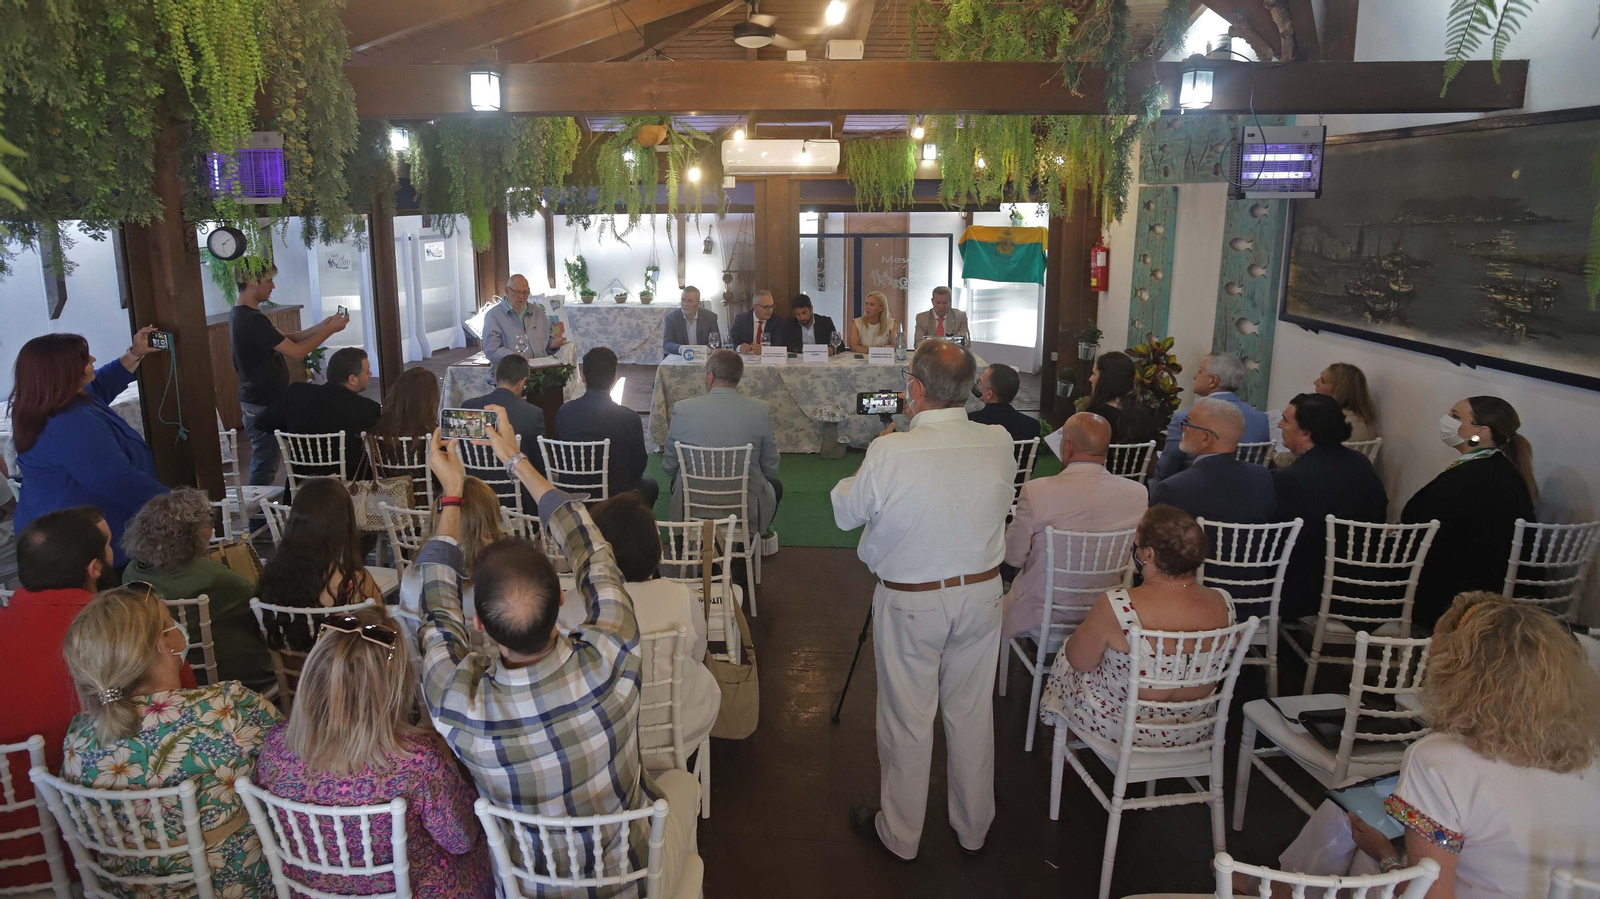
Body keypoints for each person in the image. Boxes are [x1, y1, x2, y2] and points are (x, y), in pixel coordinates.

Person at [403, 416, 701, 898]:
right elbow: (592, 551)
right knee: (684, 787)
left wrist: (452, 495)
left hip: (528, 890)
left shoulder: (458, 706)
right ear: (562, 600)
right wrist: (515, 460)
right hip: (628, 882)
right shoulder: (612, 652)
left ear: (478, 623)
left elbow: (437, 613)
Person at [1260, 593, 1600, 899]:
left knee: (1362, 848)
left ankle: (1282, 890)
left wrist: (1386, 856)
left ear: (1459, 675)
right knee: (1350, 801)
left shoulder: (1439, 760)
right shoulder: (1589, 749)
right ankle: (1283, 889)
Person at [831, 340, 1015, 861]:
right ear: (971, 389)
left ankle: (902, 834)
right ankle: (974, 826)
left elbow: (846, 513)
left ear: (914, 388)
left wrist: (873, 458)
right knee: (972, 713)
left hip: (913, 600)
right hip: (983, 593)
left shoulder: (891, 451)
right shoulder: (999, 440)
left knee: (908, 718)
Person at [254, 605, 495, 898]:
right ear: (392, 686)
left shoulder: (275, 748)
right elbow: (461, 839)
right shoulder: (417, 761)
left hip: (311, 892)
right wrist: (450, 762)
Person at [60, 585, 281, 897]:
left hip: (127, 891)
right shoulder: (228, 708)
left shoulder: (77, 740)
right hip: (235, 885)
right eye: (169, 623)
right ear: (163, 643)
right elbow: (293, 764)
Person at [1038, 504, 1235, 746]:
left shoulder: (1118, 605)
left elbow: (1079, 662)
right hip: (1193, 729)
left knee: (1068, 652)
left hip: (1124, 729)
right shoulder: (1223, 602)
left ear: (1149, 555)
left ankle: (1064, 742)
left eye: (1137, 545)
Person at [9, 330, 168, 567]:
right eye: (84, 358)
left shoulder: (44, 401)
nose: (93, 359)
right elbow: (115, 480)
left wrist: (135, 353)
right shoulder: (68, 421)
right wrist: (172, 504)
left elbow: (99, 385)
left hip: (57, 529)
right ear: (64, 372)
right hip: (77, 542)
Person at [582, 493, 720, 764]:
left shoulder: (576, 605)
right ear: (655, 551)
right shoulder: (679, 596)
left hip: (600, 742)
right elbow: (699, 653)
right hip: (681, 729)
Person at [1002, 413, 1148, 640]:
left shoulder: (1037, 491)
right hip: (1107, 611)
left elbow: (1013, 557)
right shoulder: (1137, 494)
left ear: (1067, 446)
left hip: (1042, 611)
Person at [1401, 396, 1537, 630]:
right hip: (1486, 580)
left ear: (1482, 432)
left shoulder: (1473, 476)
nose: (1446, 420)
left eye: (1455, 416)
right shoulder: (1501, 467)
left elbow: (1416, 518)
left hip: (1461, 595)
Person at [120, 488, 276, 692]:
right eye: (208, 523)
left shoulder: (132, 572)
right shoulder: (214, 577)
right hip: (232, 675)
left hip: (165, 673)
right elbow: (261, 611)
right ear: (195, 534)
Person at [231, 263, 349, 487]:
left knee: (271, 459)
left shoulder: (247, 315)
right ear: (253, 282)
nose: (273, 286)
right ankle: (255, 509)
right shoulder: (250, 319)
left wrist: (322, 326)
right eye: (269, 281)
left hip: (265, 400)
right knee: (265, 463)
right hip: (260, 403)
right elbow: (296, 352)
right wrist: (329, 331)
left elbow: (287, 339)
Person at [1272, 394, 1388, 620]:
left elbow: (1278, 538)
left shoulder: (1292, 478)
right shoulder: (1360, 463)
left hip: (1309, 592)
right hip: (1363, 584)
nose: (1279, 425)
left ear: (1306, 432)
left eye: (1285, 420)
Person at [662, 350, 782, 537]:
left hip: (694, 503)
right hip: (743, 507)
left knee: (677, 481)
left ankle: (694, 538)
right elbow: (770, 469)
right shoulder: (760, 410)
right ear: (738, 378)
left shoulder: (682, 409)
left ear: (710, 377)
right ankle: (747, 542)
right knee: (775, 486)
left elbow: (669, 467)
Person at [257, 478, 382, 652]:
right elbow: (381, 633)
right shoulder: (355, 582)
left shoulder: (270, 577)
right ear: (343, 525)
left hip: (292, 668)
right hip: (338, 667)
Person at [253, 346, 381, 480]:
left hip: (302, 485)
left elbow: (260, 422)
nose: (370, 373)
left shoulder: (296, 393)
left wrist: (296, 430)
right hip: (350, 487)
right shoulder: (368, 408)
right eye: (367, 371)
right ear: (353, 379)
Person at [556, 347, 659, 506]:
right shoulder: (629, 418)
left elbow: (560, 456)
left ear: (583, 377)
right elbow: (639, 465)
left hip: (572, 494)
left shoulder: (564, 412)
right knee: (651, 486)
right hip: (616, 499)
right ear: (614, 379)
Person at [1150, 397, 1276, 524]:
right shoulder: (1262, 476)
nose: (1182, 428)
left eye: (1187, 423)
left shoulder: (1173, 488)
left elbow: (1154, 534)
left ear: (1205, 438)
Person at [1154, 353, 1270, 481]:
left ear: (1213, 381)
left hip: (1193, 488)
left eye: (1200, 371)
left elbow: (1165, 470)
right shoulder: (1262, 419)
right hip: (1246, 489)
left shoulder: (1186, 418)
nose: (1195, 376)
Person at [1274, 363, 1381, 468]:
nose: (1315, 382)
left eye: (1322, 381)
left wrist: (1272, 455)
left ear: (1338, 391)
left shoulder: (1329, 423)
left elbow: (1300, 457)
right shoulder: (1365, 421)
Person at [462, 353, 546, 466]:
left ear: (495, 376)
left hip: (472, 475)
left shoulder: (468, 406)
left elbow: (462, 451)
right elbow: (540, 461)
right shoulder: (533, 413)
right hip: (517, 475)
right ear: (523, 381)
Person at [482, 273, 567, 365]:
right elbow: (491, 350)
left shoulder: (538, 312)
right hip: (511, 371)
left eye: (525, 292)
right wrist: (514, 357)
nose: (521, 296)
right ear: (507, 291)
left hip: (540, 369)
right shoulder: (493, 315)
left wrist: (552, 345)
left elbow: (549, 339)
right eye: (517, 292)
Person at [1081, 351, 1160, 445]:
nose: (1090, 379)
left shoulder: (1092, 417)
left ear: (1104, 379)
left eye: (1094, 374)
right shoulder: (1146, 418)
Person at [368, 366, 442, 460]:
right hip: (428, 469)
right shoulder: (433, 434)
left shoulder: (379, 428)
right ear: (431, 400)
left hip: (384, 470)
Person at [968, 362, 1039, 444]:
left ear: (989, 394)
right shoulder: (1032, 426)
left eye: (980, 383)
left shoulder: (971, 421)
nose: (978, 386)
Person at [663, 285, 721, 356]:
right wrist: (682, 349)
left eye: (689, 301)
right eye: (683, 300)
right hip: (680, 357)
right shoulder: (671, 318)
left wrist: (703, 351)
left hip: (704, 357)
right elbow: (667, 344)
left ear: (698, 303)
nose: (685, 304)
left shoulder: (710, 317)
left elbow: (716, 343)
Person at [728, 289, 788, 353]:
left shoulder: (777, 320)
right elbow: (732, 341)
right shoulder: (741, 319)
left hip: (768, 358)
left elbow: (779, 344)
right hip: (746, 356)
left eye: (771, 306)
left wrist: (764, 350)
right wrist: (740, 348)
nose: (770, 310)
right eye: (766, 307)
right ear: (755, 307)